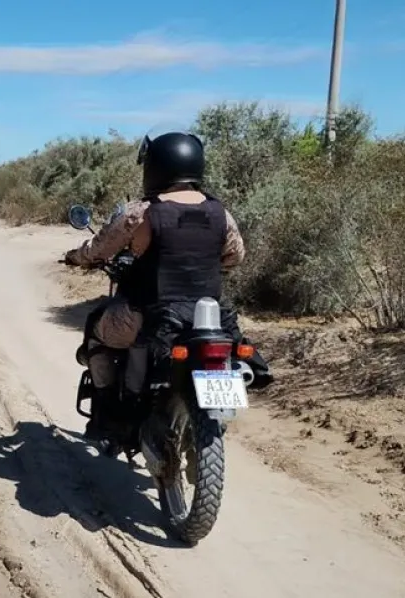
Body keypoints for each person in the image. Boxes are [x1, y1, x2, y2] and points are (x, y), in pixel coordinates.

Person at [63, 130, 272, 439]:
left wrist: (76, 257)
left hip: (149, 318)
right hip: (208, 318)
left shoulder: (142, 212)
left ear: (156, 167)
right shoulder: (220, 213)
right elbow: (235, 256)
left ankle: (108, 414)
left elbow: (99, 249)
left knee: (96, 330)